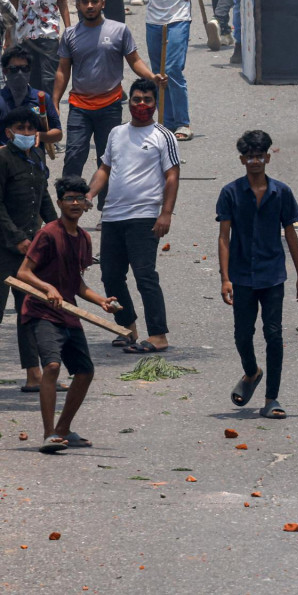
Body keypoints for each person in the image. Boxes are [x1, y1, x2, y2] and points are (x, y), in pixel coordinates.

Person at [17, 175, 118, 454]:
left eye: (80, 199)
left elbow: (78, 284)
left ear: (87, 204)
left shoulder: (84, 238)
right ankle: (49, 434)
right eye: (69, 198)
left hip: (68, 311)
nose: (75, 203)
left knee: (85, 371)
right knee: (51, 366)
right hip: (41, 311)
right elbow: (23, 273)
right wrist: (46, 286)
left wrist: (101, 302)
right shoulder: (48, 233)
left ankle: (63, 429)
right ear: (60, 202)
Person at [84, 78, 179, 354]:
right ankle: (127, 327)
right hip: (113, 216)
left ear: (155, 103)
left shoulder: (163, 136)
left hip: (145, 216)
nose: (141, 105)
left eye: (147, 100)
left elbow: (172, 176)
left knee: (144, 275)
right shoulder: (116, 133)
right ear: (129, 102)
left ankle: (158, 335)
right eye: (136, 99)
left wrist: (166, 213)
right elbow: (104, 169)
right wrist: (90, 195)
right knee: (111, 276)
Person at [53, 0, 167, 210]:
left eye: (94, 1)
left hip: (110, 105)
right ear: (78, 5)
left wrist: (152, 77)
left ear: (103, 3)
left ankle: (106, 209)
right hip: (79, 106)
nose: (90, 6)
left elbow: (134, 60)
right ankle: (67, 206)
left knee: (107, 160)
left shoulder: (119, 30)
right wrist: (55, 101)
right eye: (85, 2)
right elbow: (63, 70)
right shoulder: (70, 35)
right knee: (74, 156)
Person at [217, 129, 298, 420]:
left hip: (272, 275)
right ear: (242, 160)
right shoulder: (230, 193)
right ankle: (252, 371)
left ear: (268, 157)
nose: (255, 161)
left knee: (274, 335)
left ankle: (271, 398)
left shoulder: (282, 192)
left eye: (259, 156)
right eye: (249, 156)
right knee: (243, 334)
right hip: (242, 275)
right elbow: (224, 237)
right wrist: (225, 277)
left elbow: (290, 234)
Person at [132, 0, 210, 143]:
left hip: (179, 17)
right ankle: (165, 121)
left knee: (174, 69)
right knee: (158, 72)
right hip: (154, 18)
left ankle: (183, 123)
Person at [0, 108, 57, 392]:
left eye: (29, 128)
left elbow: (43, 196)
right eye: (19, 128)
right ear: (9, 131)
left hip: (30, 251)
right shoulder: (2, 158)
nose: (25, 132)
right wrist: (17, 237)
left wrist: (60, 231)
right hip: (4, 250)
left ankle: (34, 375)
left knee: (29, 312)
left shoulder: (36, 157)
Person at [0, 46, 63, 147]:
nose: (20, 73)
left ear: (30, 70)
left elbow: (58, 134)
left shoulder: (42, 98)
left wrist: (39, 135)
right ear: (5, 71)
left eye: (25, 68)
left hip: (35, 159)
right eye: (14, 69)